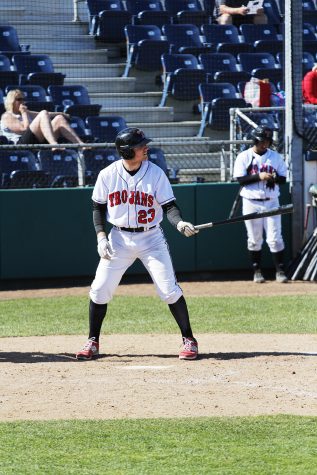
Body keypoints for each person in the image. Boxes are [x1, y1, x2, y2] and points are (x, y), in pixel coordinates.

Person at [76, 127, 199, 361]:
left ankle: (189, 339)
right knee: (100, 289)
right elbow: (98, 208)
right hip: (118, 238)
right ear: (127, 151)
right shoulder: (108, 175)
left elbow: (169, 206)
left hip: (151, 238)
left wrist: (180, 223)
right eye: (141, 145)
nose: (146, 147)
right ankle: (92, 340)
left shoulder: (155, 173)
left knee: (168, 290)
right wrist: (101, 236)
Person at [233, 126, 288, 283]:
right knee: (254, 239)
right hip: (251, 202)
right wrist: (259, 176)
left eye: (268, 141)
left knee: (275, 238)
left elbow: (283, 179)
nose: (265, 144)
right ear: (255, 140)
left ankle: (280, 271)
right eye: (262, 141)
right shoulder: (244, 156)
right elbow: (240, 180)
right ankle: (257, 271)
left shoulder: (275, 157)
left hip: (271, 201)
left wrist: (273, 178)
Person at [0, 89, 86, 149]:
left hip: (35, 140)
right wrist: (24, 113)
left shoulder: (26, 112)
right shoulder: (7, 116)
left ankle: (81, 145)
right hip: (20, 144)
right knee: (43, 113)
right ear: (11, 101)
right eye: (19, 99)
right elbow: (24, 129)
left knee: (59, 119)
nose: (23, 102)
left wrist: (62, 113)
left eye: (23, 99)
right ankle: (54, 144)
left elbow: (48, 114)